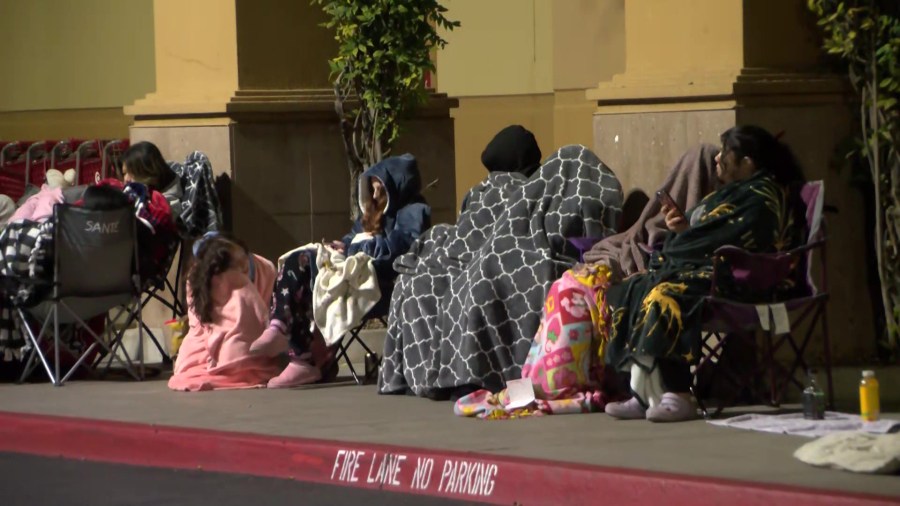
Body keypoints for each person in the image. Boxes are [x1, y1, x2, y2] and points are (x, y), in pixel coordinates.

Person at [455, 125, 807, 421]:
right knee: (629, 290)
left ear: (747, 162)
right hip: (715, 269)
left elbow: (729, 240)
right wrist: (682, 232)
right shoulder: (737, 192)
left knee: (663, 296)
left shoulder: (761, 196)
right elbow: (711, 237)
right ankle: (643, 391)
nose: (718, 158)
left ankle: (678, 392)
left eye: (726, 153)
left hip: (744, 280)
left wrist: (677, 246)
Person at [379, 144, 623, 399]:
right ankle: (452, 377)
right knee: (428, 283)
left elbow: (520, 226)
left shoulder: (534, 186)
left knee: (486, 275)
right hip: (476, 255)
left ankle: (478, 377)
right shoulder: (488, 190)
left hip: (516, 254)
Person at [250, 154, 431, 388]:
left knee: (318, 275)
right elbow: (353, 238)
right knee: (300, 260)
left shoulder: (414, 211)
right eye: (372, 189)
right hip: (352, 273)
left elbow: (403, 247)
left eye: (380, 190)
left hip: (382, 283)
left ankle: (303, 357)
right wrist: (340, 245)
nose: (375, 196)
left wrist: (355, 247)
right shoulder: (370, 213)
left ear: (396, 187)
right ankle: (281, 330)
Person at [168, 234, 282, 391]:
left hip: (252, 333)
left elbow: (265, 314)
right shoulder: (197, 278)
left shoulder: (265, 269)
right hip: (207, 333)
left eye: (245, 259)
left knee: (244, 351)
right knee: (192, 364)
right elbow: (198, 324)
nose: (244, 266)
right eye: (236, 265)